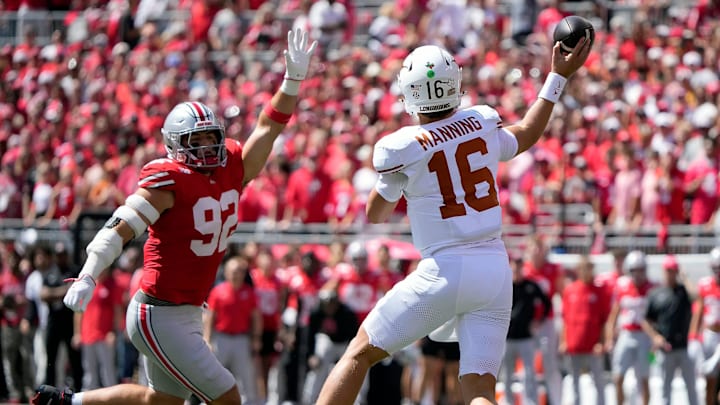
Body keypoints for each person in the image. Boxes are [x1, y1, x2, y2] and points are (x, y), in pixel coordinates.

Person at [31, 28, 317, 405]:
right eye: (194, 142)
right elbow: (120, 227)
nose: (206, 148)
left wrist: (292, 82)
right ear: (174, 146)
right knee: (228, 396)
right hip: (158, 312)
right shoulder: (168, 181)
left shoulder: (233, 165)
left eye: (210, 138)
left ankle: (67, 402)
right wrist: (88, 274)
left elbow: (268, 127)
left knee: (161, 401)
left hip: (187, 311)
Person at [315, 37, 592, 405]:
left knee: (359, 353)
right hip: (494, 268)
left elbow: (376, 214)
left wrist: (392, 184)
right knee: (478, 391)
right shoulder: (479, 121)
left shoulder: (402, 146)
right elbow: (526, 133)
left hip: (444, 269)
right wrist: (557, 76)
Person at [203, 256, 262, 405]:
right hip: (221, 338)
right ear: (227, 273)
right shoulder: (218, 291)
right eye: (234, 271)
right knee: (214, 375)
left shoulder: (249, 292)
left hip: (241, 339)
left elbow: (255, 317)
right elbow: (210, 316)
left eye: (240, 271)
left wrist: (256, 338)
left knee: (246, 376)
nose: (237, 275)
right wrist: (207, 339)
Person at [641, 255, 699, 405]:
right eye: (668, 270)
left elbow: (697, 297)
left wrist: (684, 277)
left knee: (691, 388)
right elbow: (645, 320)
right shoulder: (656, 293)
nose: (670, 273)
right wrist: (655, 337)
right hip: (665, 349)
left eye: (673, 270)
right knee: (665, 388)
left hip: (684, 348)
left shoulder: (683, 291)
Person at [605, 250, 655, 405]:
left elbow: (656, 319)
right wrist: (609, 338)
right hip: (626, 334)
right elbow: (613, 315)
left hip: (645, 338)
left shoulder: (652, 288)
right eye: (634, 270)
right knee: (618, 375)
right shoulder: (622, 286)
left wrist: (654, 341)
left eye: (641, 269)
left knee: (645, 377)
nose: (638, 274)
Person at [502, 256, 551, 405]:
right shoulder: (505, 286)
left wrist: (538, 321)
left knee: (529, 373)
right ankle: (509, 402)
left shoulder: (531, 286)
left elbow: (546, 304)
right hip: (508, 337)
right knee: (507, 374)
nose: (516, 271)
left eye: (518, 268)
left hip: (526, 337)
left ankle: (530, 402)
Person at [560, 255, 609, 405]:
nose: (586, 272)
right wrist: (563, 341)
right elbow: (565, 319)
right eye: (583, 269)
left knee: (598, 381)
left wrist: (601, 342)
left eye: (588, 268)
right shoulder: (570, 290)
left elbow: (604, 320)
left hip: (593, 345)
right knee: (574, 382)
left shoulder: (599, 291)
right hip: (574, 344)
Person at [690, 246, 720, 405]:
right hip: (710, 336)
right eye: (716, 268)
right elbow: (698, 312)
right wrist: (693, 337)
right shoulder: (704, 284)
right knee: (709, 382)